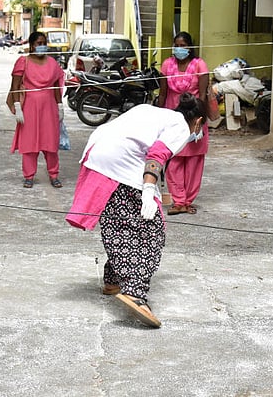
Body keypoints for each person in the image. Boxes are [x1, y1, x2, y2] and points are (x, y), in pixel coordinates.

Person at [66, 94, 207, 328]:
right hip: (122, 165)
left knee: (120, 225)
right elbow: (157, 155)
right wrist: (149, 189)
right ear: (198, 121)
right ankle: (135, 293)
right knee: (151, 234)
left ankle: (113, 280)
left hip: (97, 154)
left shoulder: (153, 111)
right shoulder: (182, 127)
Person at [156, 32, 211, 215]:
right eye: (176, 45)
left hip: (194, 118)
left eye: (183, 45)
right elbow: (163, 94)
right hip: (173, 118)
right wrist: (159, 117)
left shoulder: (199, 65)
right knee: (174, 160)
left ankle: (188, 201)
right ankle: (178, 201)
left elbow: (202, 95)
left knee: (194, 160)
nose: (179, 48)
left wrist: (200, 122)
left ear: (190, 47)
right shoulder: (167, 64)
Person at [6, 31, 66, 188]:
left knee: (51, 143)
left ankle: (54, 175)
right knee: (30, 143)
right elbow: (15, 86)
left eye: (44, 43)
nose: (42, 46)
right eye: (39, 43)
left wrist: (60, 106)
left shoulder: (52, 63)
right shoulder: (23, 62)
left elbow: (55, 86)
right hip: (30, 108)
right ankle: (29, 176)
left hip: (49, 108)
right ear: (32, 45)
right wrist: (18, 107)